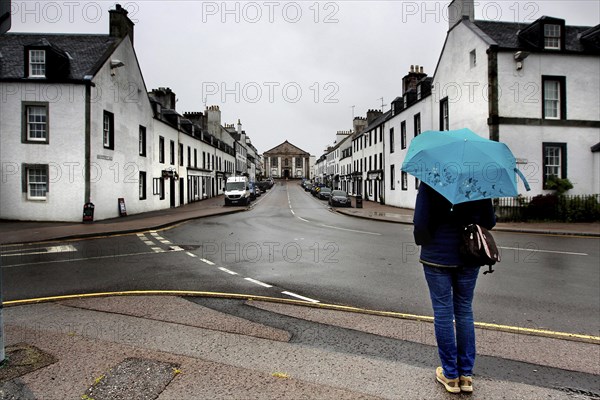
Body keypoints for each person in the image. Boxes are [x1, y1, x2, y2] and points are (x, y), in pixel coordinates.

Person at [413, 183, 496, 394]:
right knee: (464, 310)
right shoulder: (477, 182)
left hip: (437, 255)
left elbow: (420, 223)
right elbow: (489, 221)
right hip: (469, 254)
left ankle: (450, 375)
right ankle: (466, 375)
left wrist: (426, 242)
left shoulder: (431, 181)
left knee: (442, 312)